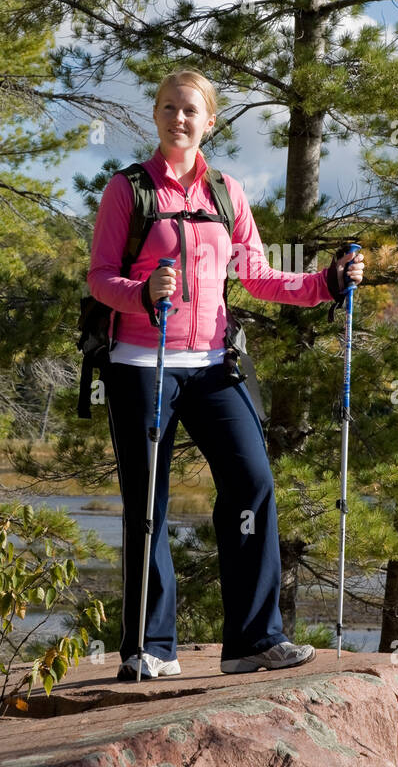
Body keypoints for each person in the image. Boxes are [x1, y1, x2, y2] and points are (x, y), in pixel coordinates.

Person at [87, 68, 365, 680]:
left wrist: (325, 283)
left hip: (213, 363)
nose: (177, 119)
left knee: (250, 483)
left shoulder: (226, 192)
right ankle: (150, 646)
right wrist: (140, 291)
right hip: (141, 363)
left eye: (190, 111)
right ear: (155, 116)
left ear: (210, 121)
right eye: (167, 108)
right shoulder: (127, 191)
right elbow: (100, 277)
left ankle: (252, 642)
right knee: (148, 504)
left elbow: (258, 275)